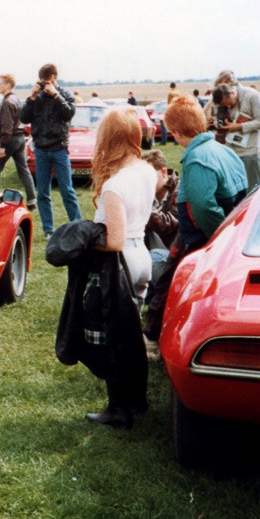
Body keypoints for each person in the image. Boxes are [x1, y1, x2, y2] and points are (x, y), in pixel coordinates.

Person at [143, 96, 247, 349]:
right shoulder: (224, 150)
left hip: (199, 234)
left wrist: (218, 239)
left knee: (170, 281)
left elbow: (201, 206)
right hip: (224, 230)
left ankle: (152, 340)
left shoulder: (197, 158)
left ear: (176, 132)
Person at [81, 108, 157, 429]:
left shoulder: (114, 185)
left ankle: (118, 409)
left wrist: (82, 241)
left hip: (119, 262)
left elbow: (112, 241)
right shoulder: (147, 170)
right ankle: (137, 399)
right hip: (142, 256)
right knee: (132, 334)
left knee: (112, 337)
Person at [19, 63, 83, 235]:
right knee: (43, 193)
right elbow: (24, 118)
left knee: (67, 190)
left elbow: (69, 113)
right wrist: (31, 97)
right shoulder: (36, 97)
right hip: (40, 149)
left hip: (59, 147)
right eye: (43, 81)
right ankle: (48, 230)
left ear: (55, 78)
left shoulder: (64, 94)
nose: (46, 84)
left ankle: (77, 226)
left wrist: (56, 96)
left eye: (49, 80)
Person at [0, 75, 36, 208]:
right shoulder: (17, 99)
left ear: (8, 85)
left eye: (1, 83)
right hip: (19, 139)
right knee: (24, 169)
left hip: (11, 139)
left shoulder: (7, 102)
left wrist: (2, 145)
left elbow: (7, 126)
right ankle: (31, 200)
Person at [140, 149, 178, 313]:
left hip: (175, 260)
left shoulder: (180, 192)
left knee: (153, 258)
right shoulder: (147, 194)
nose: (144, 182)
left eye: (148, 177)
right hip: (153, 261)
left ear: (163, 172)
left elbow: (171, 225)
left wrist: (144, 208)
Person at [211, 81, 260, 189]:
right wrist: (217, 122)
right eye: (224, 105)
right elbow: (217, 119)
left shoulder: (252, 95)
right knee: (233, 188)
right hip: (229, 150)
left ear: (232, 92)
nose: (227, 106)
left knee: (251, 187)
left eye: (229, 103)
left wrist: (239, 127)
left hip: (248, 151)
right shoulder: (220, 102)